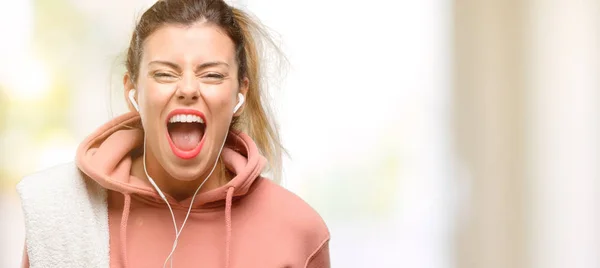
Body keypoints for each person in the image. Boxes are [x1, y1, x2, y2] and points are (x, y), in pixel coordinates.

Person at [17, 0, 330, 267]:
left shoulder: (298, 230)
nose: (188, 88)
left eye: (212, 74)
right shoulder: (59, 214)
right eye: (165, 73)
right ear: (133, 90)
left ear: (240, 94)